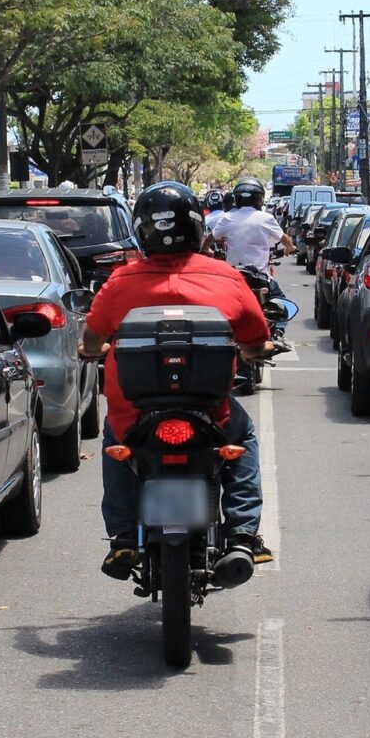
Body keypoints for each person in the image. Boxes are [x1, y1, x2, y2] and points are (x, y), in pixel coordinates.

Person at [79, 181, 279, 579]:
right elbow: (256, 339)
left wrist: (94, 351)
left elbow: (91, 340)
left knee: (116, 443)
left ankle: (122, 538)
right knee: (244, 437)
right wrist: (257, 351)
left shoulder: (119, 282)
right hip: (212, 412)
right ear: (198, 229)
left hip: (131, 413)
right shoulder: (227, 278)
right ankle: (242, 535)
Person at [202, 176, 295, 276]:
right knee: (277, 292)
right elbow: (285, 240)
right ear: (260, 198)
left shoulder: (227, 218)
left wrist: (207, 249)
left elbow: (209, 239)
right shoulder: (267, 218)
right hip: (261, 276)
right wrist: (289, 248)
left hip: (234, 276)